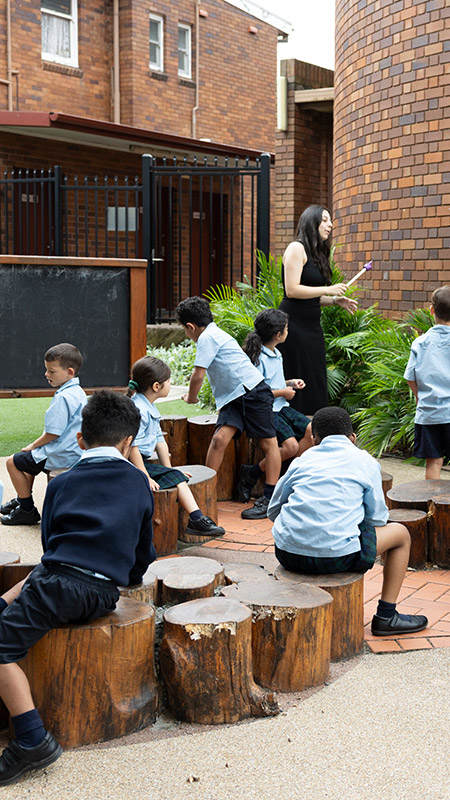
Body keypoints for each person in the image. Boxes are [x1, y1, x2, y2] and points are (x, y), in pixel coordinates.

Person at [0, 389, 156, 786]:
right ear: (128, 442)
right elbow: (143, 551)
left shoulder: (62, 483)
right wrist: (131, 578)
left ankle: (32, 739)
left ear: (80, 439)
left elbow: (51, 548)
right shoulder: (139, 483)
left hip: (59, 587)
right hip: (103, 593)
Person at [268, 406, 428, 636]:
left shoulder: (302, 460)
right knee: (401, 534)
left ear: (314, 439)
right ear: (352, 437)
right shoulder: (365, 461)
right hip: (339, 558)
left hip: (287, 554)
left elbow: (273, 510)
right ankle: (386, 616)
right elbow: (377, 518)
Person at [175, 296, 281, 520]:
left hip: (252, 392)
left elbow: (198, 374)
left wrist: (191, 397)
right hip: (233, 397)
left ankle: (269, 498)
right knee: (219, 439)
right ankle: (206, 489)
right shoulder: (212, 334)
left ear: (190, 327)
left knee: (269, 444)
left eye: (185, 330)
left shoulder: (207, 337)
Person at [127, 355, 224, 538]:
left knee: (176, 477)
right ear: (156, 386)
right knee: (177, 480)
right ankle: (197, 519)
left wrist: (169, 470)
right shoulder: (139, 410)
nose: (170, 384)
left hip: (141, 462)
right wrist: (146, 477)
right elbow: (132, 447)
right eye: (169, 381)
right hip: (132, 465)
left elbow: (160, 442)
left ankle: (197, 519)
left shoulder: (149, 406)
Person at [277, 205, 357, 416]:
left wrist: (334, 300)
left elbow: (311, 296)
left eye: (330, 221)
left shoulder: (317, 253)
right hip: (293, 328)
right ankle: (296, 428)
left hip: (312, 328)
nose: (330, 225)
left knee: (315, 378)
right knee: (299, 378)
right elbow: (292, 290)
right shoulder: (296, 248)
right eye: (324, 220)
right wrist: (328, 289)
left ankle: (313, 427)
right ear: (311, 222)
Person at [1, 343, 87, 526]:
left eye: (52, 371)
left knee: (12, 462)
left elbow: (53, 433)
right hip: (74, 450)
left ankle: (26, 510)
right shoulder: (78, 392)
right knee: (26, 461)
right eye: (46, 370)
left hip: (61, 455)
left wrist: (33, 445)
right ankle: (21, 499)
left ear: (69, 372)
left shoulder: (63, 397)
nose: (47, 374)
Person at [237, 308, 313, 502]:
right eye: (286, 328)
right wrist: (283, 393)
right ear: (278, 334)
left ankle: (287, 476)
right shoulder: (257, 358)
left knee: (312, 429)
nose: (288, 331)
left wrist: (289, 383)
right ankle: (254, 472)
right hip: (269, 410)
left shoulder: (275, 353)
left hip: (282, 407)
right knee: (290, 448)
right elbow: (256, 391)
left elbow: (272, 382)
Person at [404, 286, 450, 480]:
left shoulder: (420, 342)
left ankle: (433, 506)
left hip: (430, 413)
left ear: (431, 310)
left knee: (434, 462)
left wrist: (418, 397)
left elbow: (410, 377)